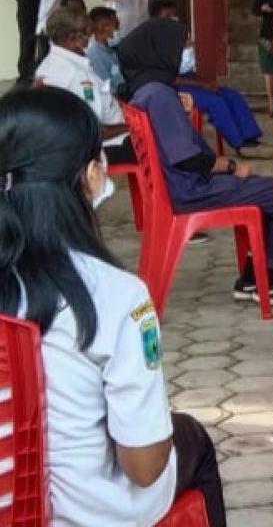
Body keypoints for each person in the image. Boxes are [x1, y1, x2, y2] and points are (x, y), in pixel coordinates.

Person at [0, 86, 226, 525]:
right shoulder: (115, 295)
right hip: (94, 512)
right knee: (192, 438)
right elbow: (143, 467)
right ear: (89, 175)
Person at [118, 18, 273, 310]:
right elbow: (189, 158)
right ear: (161, 50)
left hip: (173, 186)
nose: (186, 50)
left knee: (265, 190)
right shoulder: (160, 95)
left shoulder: (144, 89)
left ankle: (251, 278)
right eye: (181, 45)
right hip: (191, 188)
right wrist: (232, 167)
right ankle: (269, 282)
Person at [146, 1, 266, 154]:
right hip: (174, 88)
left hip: (191, 80)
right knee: (216, 103)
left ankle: (250, 137)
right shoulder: (155, 43)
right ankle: (237, 142)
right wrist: (203, 85)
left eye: (173, 15)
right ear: (155, 19)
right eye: (167, 16)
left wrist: (205, 83)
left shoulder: (179, 36)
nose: (172, 19)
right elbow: (169, 78)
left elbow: (189, 70)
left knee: (232, 95)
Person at [36, 7, 135, 167]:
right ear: (73, 37)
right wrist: (132, 127)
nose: (91, 39)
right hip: (103, 147)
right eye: (88, 34)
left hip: (75, 143)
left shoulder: (49, 65)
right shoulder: (75, 75)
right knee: (162, 143)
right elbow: (95, 131)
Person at [87, 6, 124, 89]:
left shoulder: (110, 51)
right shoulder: (96, 56)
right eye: (116, 27)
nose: (118, 30)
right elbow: (106, 88)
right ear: (104, 27)